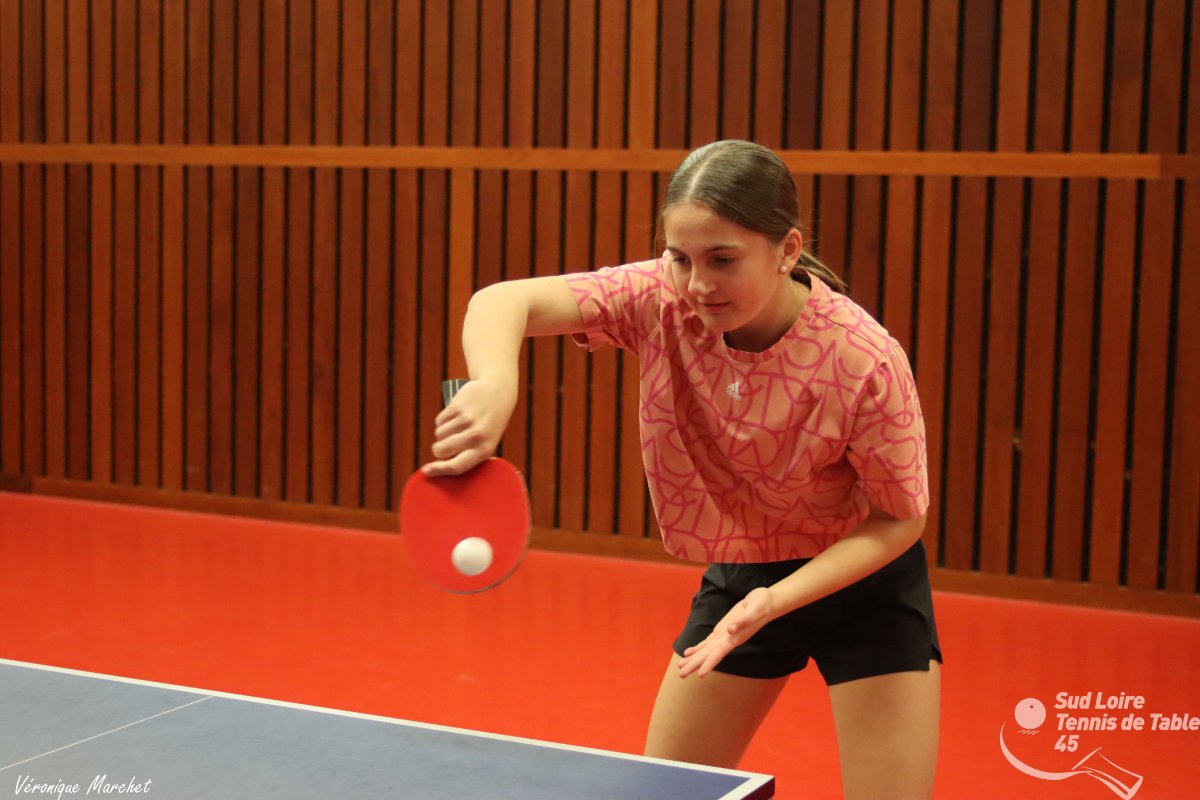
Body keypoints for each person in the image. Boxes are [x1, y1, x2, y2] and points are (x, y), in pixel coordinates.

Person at [423, 140, 942, 799]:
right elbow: (501, 301)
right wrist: (496, 383)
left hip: (863, 581)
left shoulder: (863, 358)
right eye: (680, 257)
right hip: (747, 566)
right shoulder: (661, 299)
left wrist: (776, 601)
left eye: (723, 260)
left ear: (787, 249)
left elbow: (899, 519)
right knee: (668, 793)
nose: (698, 284)